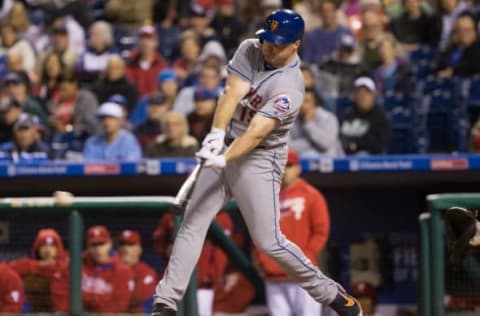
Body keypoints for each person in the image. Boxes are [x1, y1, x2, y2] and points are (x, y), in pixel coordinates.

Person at [151, 9, 362, 316]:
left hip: (260, 159)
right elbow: (232, 91)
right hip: (227, 145)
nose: (269, 48)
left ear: (296, 45)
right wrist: (215, 134)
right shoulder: (251, 47)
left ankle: (329, 292)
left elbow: (256, 133)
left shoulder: (290, 87)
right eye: (268, 40)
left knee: (269, 241)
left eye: (278, 44)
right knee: (192, 223)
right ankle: (166, 303)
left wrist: (223, 159)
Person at [255, 150, 331, 316]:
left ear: (298, 168)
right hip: (274, 276)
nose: (284, 170)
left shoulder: (311, 195)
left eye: (288, 165)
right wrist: (265, 261)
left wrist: (306, 257)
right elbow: (258, 233)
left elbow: (321, 231)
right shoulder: (265, 197)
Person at [9, 228, 68, 312]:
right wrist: (37, 266)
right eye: (43, 245)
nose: (48, 249)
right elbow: (7, 270)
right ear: (37, 248)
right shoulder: (26, 264)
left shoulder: (66, 266)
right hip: (35, 311)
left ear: (58, 249)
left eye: (52, 246)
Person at [81, 226, 134, 313]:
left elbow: (119, 306)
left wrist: (86, 298)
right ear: (88, 246)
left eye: (101, 244)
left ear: (109, 244)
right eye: (94, 245)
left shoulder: (122, 271)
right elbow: (65, 299)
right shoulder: (78, 265)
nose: (98, 249)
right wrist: (101, 299)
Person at [340, 77, 390, 155]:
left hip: (371, 159)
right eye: (359, 92)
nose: (363, 96)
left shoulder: (380, 117)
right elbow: (340, 137)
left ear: (373, 95)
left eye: (367, 92)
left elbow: (379, 144)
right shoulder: (347, 115)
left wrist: (357, 145)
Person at [289, 88, 343, 157]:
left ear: (314, 103)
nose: (302, 105)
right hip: (302, 161)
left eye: (306, 101)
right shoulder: (291, 120)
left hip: (330, 162)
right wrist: (312, 143)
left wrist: (308, 123)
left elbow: (326, 145)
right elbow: (286, 147)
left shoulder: (328, 118)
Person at [117, 230, 158, 313]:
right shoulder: (109, 269)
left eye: (130, 244)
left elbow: (136, 298)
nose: (125, 249)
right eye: (122, 244)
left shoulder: (146, 272)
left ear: (139, 249)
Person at [301, 0, 352, 64]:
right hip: (316, 71)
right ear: (319, 13)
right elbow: (306, 60)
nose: (326, 14)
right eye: (323, 11)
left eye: (329, 11)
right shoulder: (312, 35)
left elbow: (350, 55)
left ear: (335, 12)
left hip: (340, 69)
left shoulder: (346, 32)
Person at [126, 25, 169, 97]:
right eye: (142, 39)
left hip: (156, 105)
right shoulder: (129, 65)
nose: (145, 43)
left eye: (149, 39)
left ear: (156, 42)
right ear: (138, 42)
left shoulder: (163, 66)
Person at [436, 13, 480, 79]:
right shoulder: (451, 47)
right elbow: (439, 65)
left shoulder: (477, 50)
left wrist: (453, 72)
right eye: (459, 30)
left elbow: (473, 67)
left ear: (475, 31)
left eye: (467, 30)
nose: (463, 34)